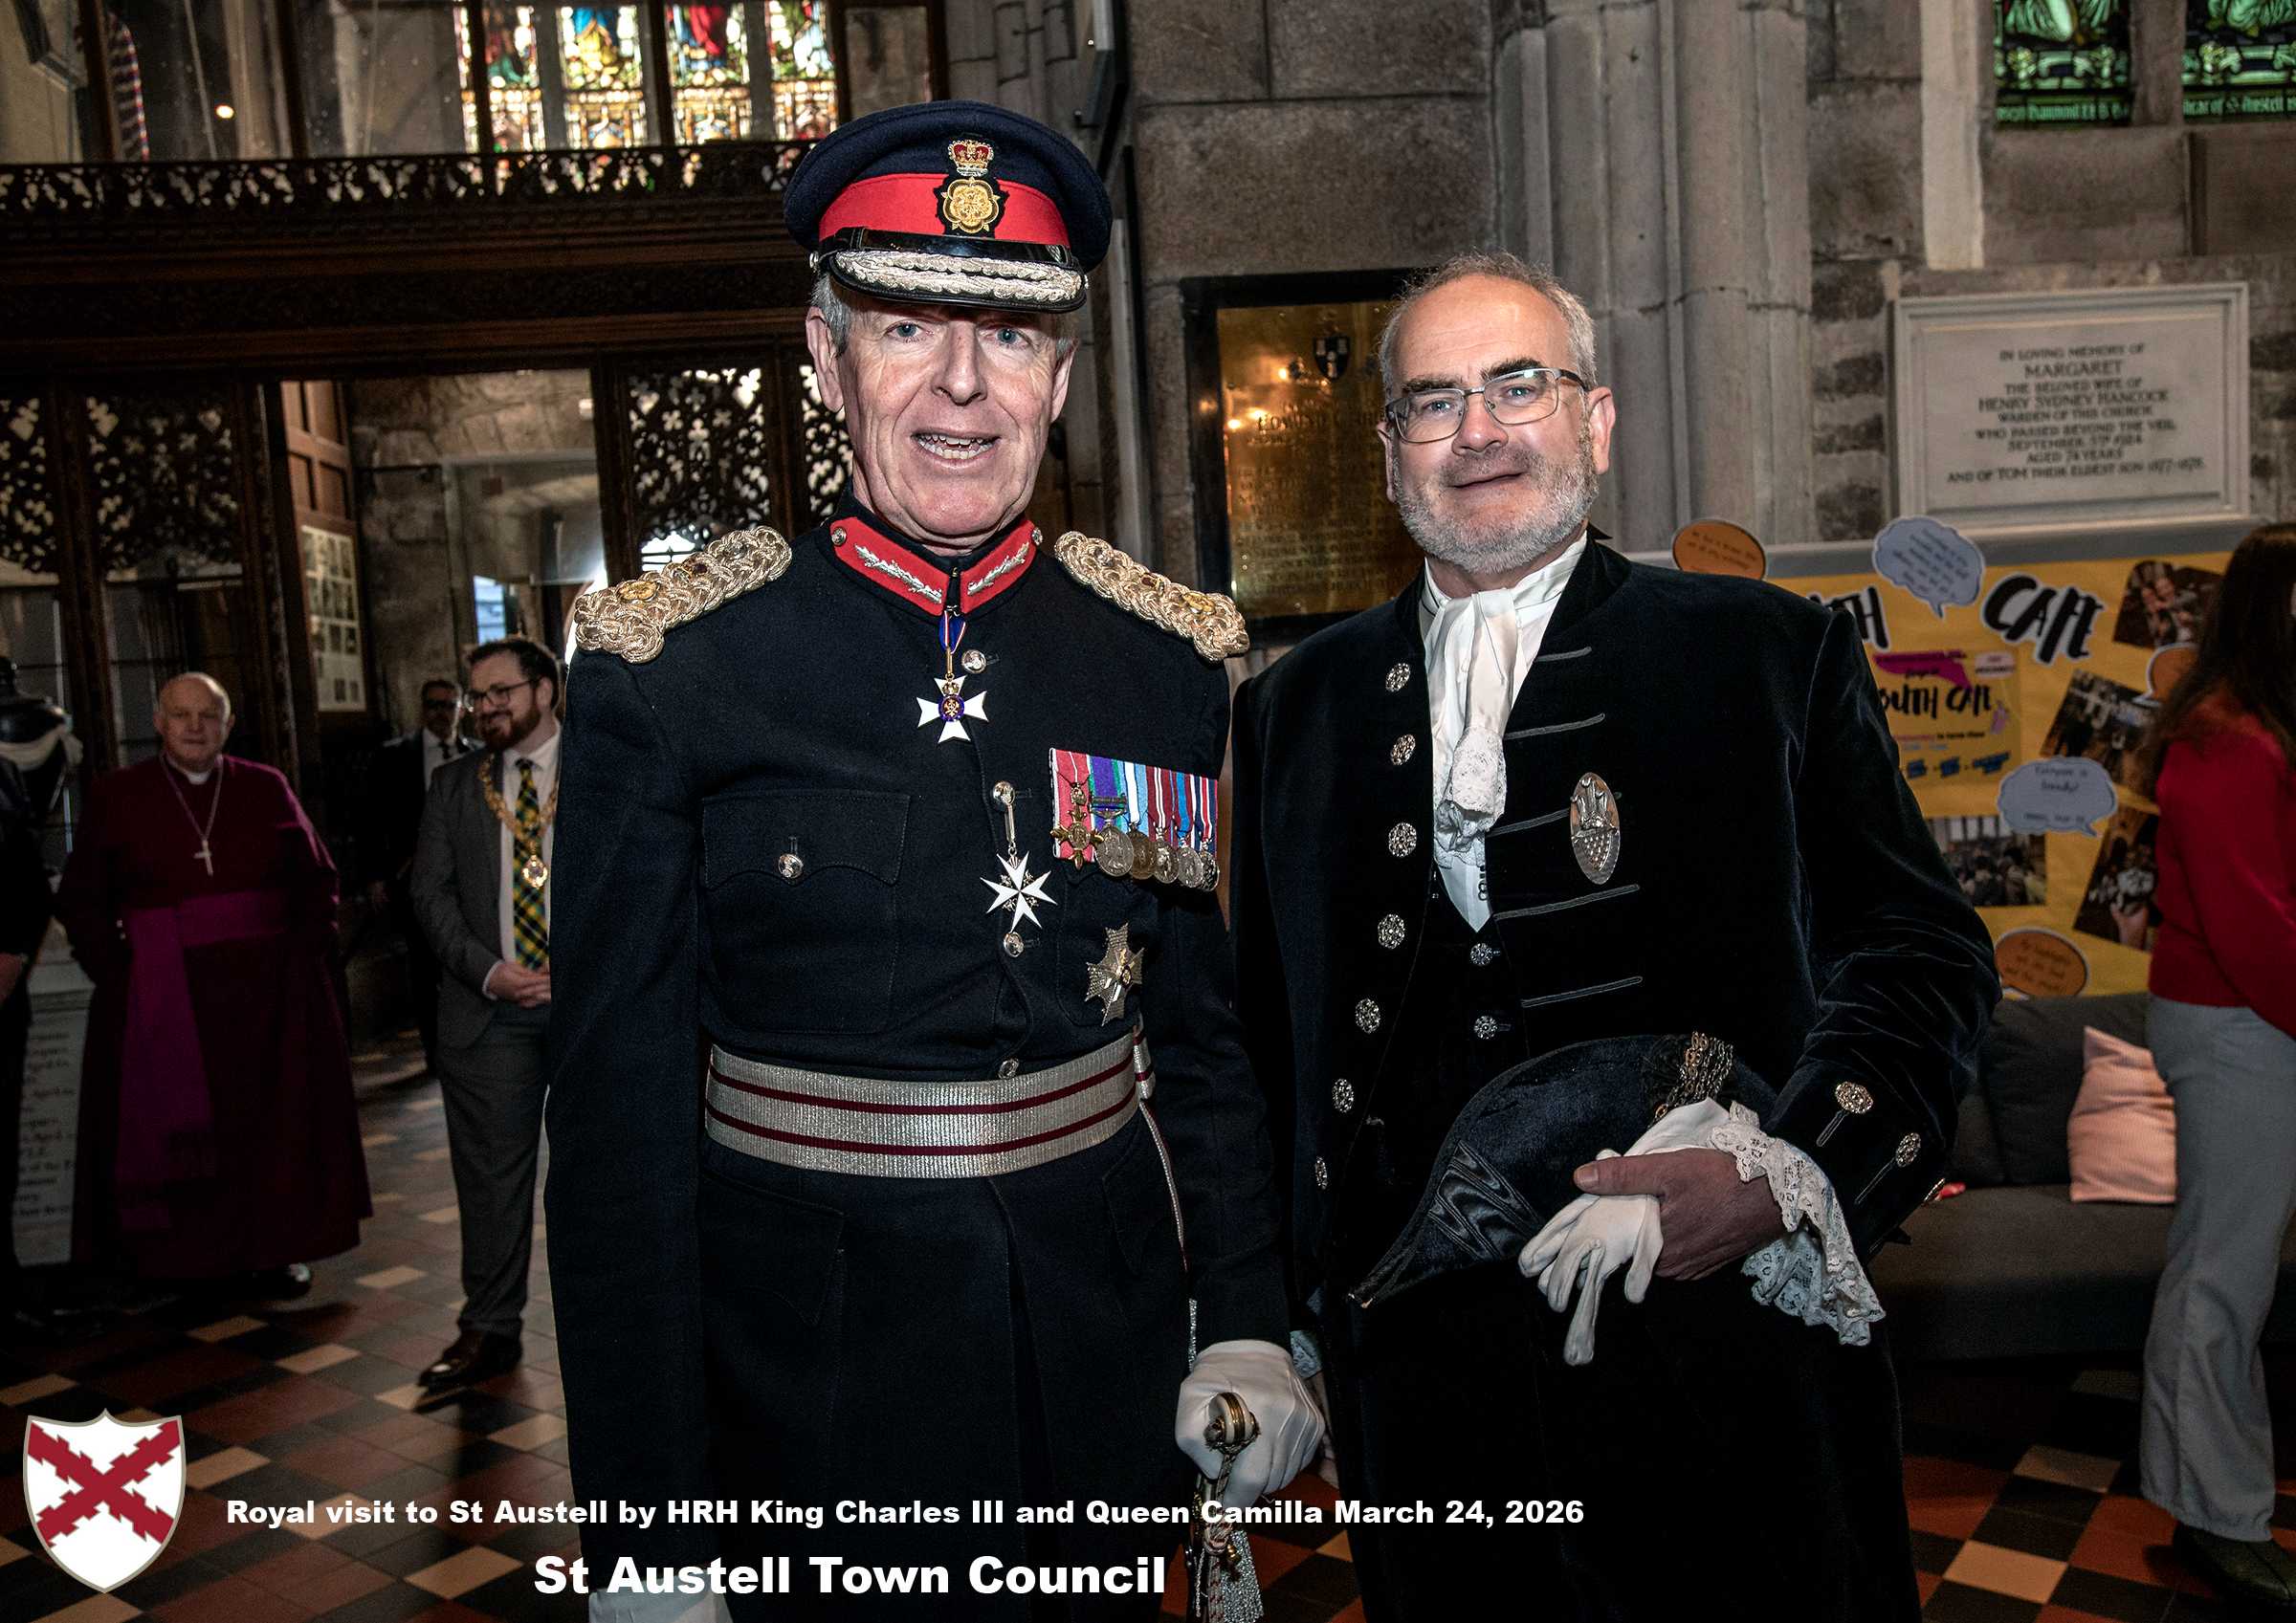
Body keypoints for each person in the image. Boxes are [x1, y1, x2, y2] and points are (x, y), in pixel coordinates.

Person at [544, 100, 1318, 1621]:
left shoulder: (1159, 664)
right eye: (909, 328)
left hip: (1101, 1364)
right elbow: (621, 1137)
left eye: (1014, 337)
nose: (964, 385)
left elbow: (1202, 1034)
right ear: (826, 360)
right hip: (805, 1396)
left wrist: (1243, 1316)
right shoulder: (678, 669)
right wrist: (649, 1517)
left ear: (1066, 377)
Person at [1228, 252, 1999, 1620]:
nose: (1478, 431)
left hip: (1722, 1348)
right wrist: (1286, 1312)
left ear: (1595, 420)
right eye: (1433, 400)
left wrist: (1789, 1176)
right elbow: (1265, 1037)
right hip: (1425, 1384)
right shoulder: (1296, 710)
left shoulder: (1767, 654)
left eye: (1519, 385)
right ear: (1390, 455)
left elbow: (1922, 952)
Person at [56, 672, 369, 1296]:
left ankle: (272, 1250)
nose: (194, 726)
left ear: (228, 724)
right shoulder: (118, 795)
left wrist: (300, 966)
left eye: (209, 715)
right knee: (174, 1131)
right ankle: (179, 1263)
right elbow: (83, 900)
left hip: (266, 1002)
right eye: (181, 714)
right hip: (159, 999)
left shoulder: (265, 787)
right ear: (158, 721)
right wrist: (124, 974)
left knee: (268, 1128)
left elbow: (317, 881)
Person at [2135, 523, 2296, 1612]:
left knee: (2235, 1273)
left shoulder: (2261, 723)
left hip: (2262, 1015)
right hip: (2240, 1021)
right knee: (2220, 1277)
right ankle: (2211, 1515)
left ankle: (2226, 1499)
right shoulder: (2228, 735)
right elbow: (2256, 925)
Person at [410, 641, 561, 1392]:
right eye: (478, 696)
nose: (486, 706)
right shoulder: (452, 786)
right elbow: (429, 896)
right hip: (487, 1014)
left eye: (502, 691)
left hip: (590, 1015)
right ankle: (489, 1329)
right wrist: (490, 971)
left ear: (545, 688)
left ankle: (617, 1324)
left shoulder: (607, 765)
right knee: (491, 1183)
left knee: (602, 1181)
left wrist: (585, 969)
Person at [364, 677, 466, 1072]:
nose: (441, 712)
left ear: (460, 708)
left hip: (469, 881)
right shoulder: (393, 758)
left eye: (448, 704)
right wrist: (376, 875)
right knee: (424, 967)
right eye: (433, 705)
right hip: (417, 879)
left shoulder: (475, 753)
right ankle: (435, 1052)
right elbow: (372, 820)